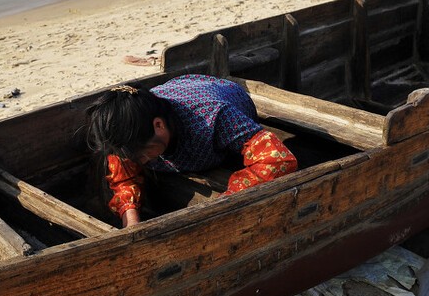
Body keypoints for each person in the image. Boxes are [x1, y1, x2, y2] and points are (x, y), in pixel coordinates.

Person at [85, 75, 298, 228]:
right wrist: (131, 220)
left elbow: (277, 159)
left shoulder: (213, 116)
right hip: (183, 86)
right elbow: (124, 176)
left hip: (222, 92)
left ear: (159, 125)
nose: (140, 161)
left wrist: (223, 203)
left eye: (143, 153)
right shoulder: (131, 134)